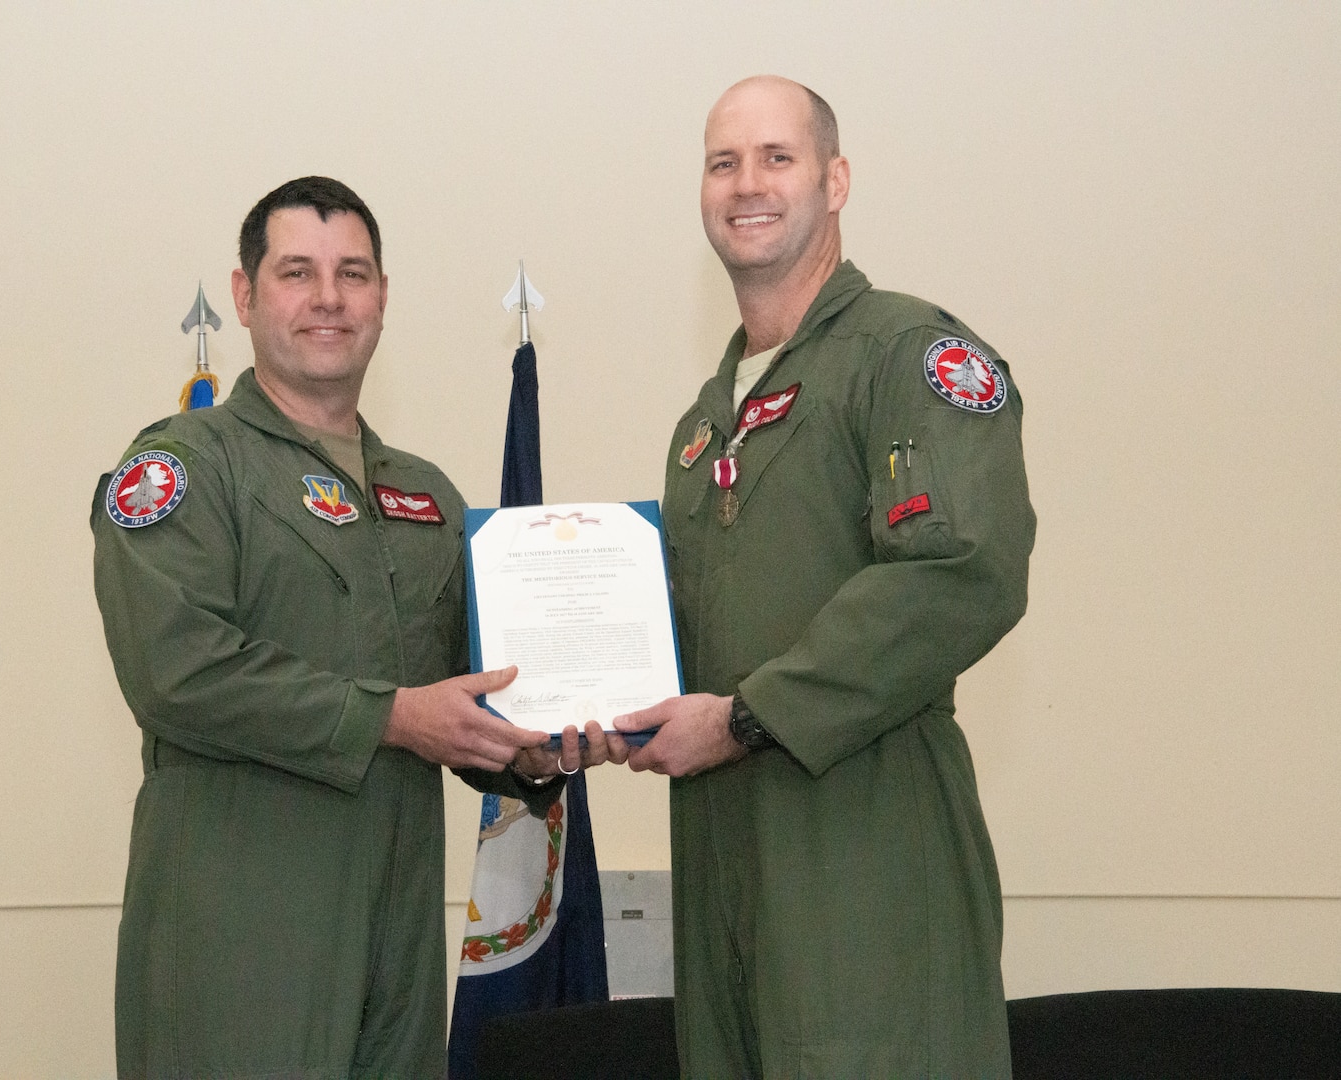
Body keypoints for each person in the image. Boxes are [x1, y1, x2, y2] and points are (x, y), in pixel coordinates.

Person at [91, 176, 610, 1079]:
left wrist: (531, 749)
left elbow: (466, 691)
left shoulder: (427, 497)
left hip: (396, 942)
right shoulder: (184, 467)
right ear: (247, 295)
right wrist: (391, 717)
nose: (329, 298)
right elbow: (176, 672)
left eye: (353, 274)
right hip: (239, 945)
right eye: (298, 272)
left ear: (381, 298)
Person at [613, 78, 1036, 1077]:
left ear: (835, 180)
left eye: (777, 158)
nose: (746, 184)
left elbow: (962, 570)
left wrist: (751, 716)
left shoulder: (907, 354)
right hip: (723, 852)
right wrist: (571, 712)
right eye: (724, 163)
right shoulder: (702, 425)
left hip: (865, 832)